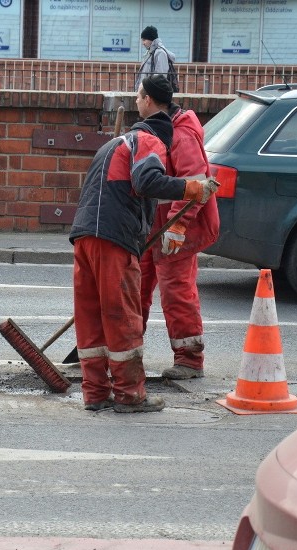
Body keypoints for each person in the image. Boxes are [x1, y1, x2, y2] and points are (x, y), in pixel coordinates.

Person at [69, 74, 219, 414]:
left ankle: (95, 392)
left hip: (87, 235)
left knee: (96, 314)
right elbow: (148, 180)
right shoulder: (151, 142)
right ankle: (129, 394)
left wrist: (178, 223)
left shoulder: (118, 144)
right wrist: (190, 190)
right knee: (123, 314)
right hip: (118, 236)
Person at [139, 80, 219, 381]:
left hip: (175, 227)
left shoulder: (181, 135)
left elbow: (196, 183)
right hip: (155, 226)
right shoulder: (159, 130)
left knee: (176, 292)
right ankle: (127, 350)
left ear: (148, 100)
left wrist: (179, 226)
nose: (135, 101)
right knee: (135, 287)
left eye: (138, 96)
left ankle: (189, 360)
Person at [135, 26, 175, 92]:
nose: (143, 43)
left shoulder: (160, 53)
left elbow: (161, 77)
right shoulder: (150, 52)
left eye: (144, 40)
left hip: (152, 93)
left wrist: (153, 92)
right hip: (147, 91)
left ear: (151, 39)